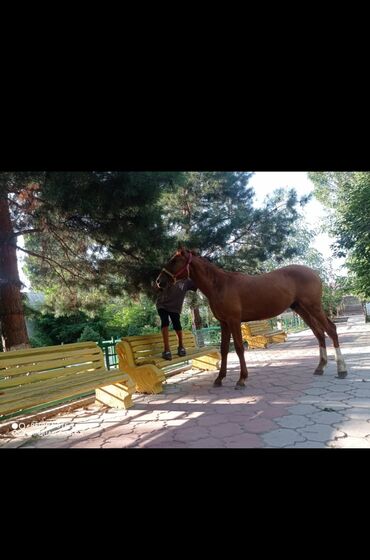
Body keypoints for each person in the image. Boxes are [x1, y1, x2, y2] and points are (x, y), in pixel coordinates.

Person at [156, 277, 197, 360]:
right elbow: (158, 283)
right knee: (165, 321)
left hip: (175, 307)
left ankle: (181, 346)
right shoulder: (171, 273)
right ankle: (166, 350)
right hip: (162, 304)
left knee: (177, 324)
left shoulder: (187, 281)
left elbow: (198, 284)